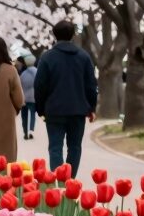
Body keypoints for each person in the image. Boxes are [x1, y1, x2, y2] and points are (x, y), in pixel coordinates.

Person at [33, 20, 98, 177]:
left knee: (55, 146)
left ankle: (58, 181)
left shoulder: (47, 57)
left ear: (54, 35)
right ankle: (71, 181)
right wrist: (92, 108)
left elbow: (40, 85)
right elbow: (91, 85)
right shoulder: (84, 57)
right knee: (75, 146)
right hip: (78, 110)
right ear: (72, 35)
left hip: (54, 110)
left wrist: (41, 109)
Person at [18, 55, 37, 139]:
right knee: (32, 114)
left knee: (24, 116)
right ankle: (31, 131)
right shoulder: (37, 72)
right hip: (33, 98)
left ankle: (25, 132)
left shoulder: (23, 74)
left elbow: (20, 85)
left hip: (24, 97)